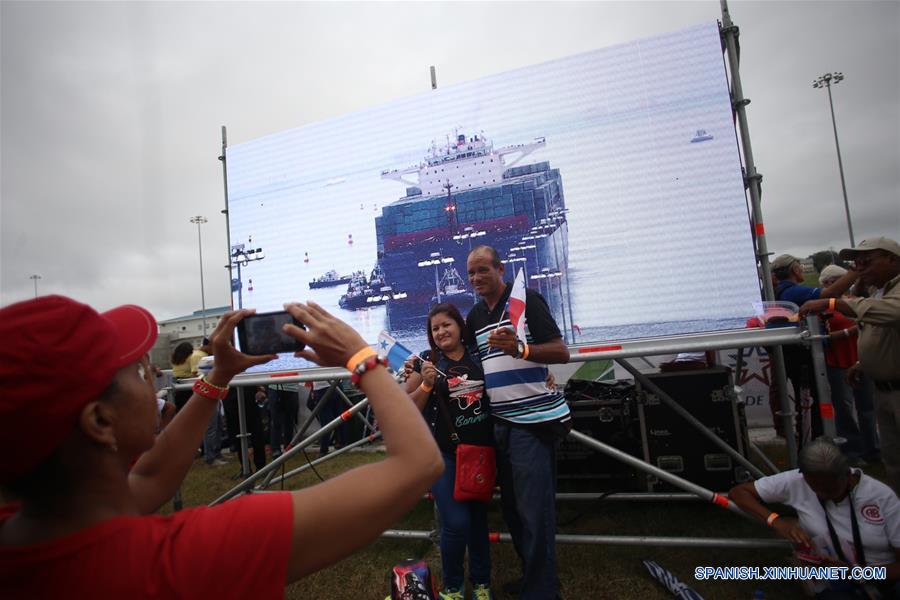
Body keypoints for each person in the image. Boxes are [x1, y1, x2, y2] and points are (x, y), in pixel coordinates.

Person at [0, 296, 443, 598]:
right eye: (136, 373)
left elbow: (149, 480)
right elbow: (417, 464)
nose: (152, 380)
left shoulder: (33, 526)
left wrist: (218, 376)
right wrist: (361, 357)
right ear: (99, 422)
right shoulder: (188, 558)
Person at [465, 245, 570, 600]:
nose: (476, 278)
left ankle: (541, 592)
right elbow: (468, 363)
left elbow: (560, 351)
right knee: (513, 511)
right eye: (471, 273)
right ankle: (535, 580)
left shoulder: (527, 300)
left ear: (500, 269)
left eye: (482, 270)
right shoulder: (476, 316)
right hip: (500, 424)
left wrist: (522, 350)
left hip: (532, 423)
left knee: (534, 512)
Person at [730, 439, 899, 599]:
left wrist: (857, 573)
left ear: (848, 475)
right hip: (834, 580)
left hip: (883, 576)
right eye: (815, 488)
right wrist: (775, 520)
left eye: (830, 489)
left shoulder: (881, 497)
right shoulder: (798, 480)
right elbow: (739, 493)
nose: (821, 494)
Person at [405, 303, 494, 600]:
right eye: (435, 328)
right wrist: (427, 384)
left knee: (478, 523)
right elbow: (408, 408)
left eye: (447, 325)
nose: (441, 331)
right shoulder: (426, 363)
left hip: (480, 456)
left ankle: (482, 584)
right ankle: (453, 587)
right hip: (443, 457)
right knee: (456, 523)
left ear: (459, 325)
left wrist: (543, 376)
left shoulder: (479, 357)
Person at [800, 236, 900, 497]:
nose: (861, 267)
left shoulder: (890, 293)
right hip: (884, 386)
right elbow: (879, 332)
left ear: (892, 259)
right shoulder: (880, 290)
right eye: (856, 263)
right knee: (894, 461)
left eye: (866, 261)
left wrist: (831, 302)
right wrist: (862, 363)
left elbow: (890, 313)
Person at [770, 254, 859, 446]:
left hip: (797, 354)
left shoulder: (780, 291)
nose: (802, 269)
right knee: (812, 406)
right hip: (804, 355)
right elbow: (829, 295)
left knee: (810, 405)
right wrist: (856, 271)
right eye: (800, 266)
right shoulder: (793, 292)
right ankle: (816, 448)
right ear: (794, 270)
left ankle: (813, 446)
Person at [817, 264, 879, 464]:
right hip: (837, 362)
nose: (844, 285)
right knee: (844, 408)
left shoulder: (855, 301)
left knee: (867, 407)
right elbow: (821, 336)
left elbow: (870, 324)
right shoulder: (822, 305)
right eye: (836, 281)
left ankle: (873, 450)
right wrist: (850, 331)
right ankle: (852, 451)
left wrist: (850, 331)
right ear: (827, 283)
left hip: (861, 360)